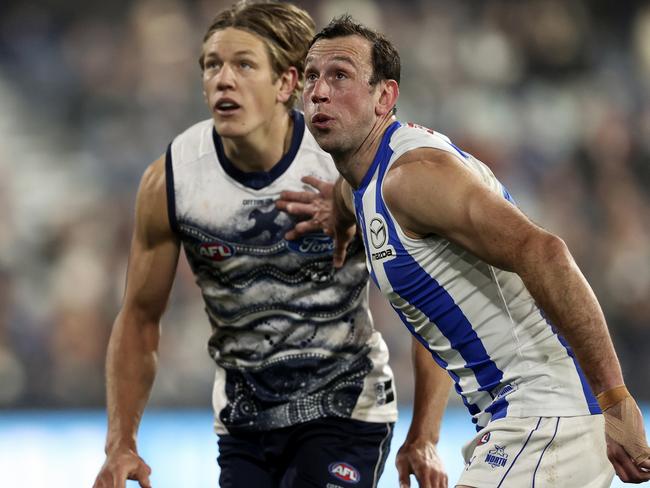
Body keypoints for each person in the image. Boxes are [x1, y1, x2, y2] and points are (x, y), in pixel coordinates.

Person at [92, 3, 451, 488]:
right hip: (245, 425)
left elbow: (430, 302)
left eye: (243, 64)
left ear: (287, 84)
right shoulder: (172, 181)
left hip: (346, 409)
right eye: (212, 65)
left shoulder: (345, 161)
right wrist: (121, 444)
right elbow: (138, 319)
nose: (223, 79)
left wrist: (425, 434)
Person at [293, 14, 650, 487]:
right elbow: (433, 306)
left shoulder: (412, 178)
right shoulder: (368, 180)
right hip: (523, 420)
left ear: (385, 97)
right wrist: (423, 434)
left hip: (546, 418)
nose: (319, 91)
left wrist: (617, 402)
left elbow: (545, 251)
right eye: (312, 76)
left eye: (339, 76)